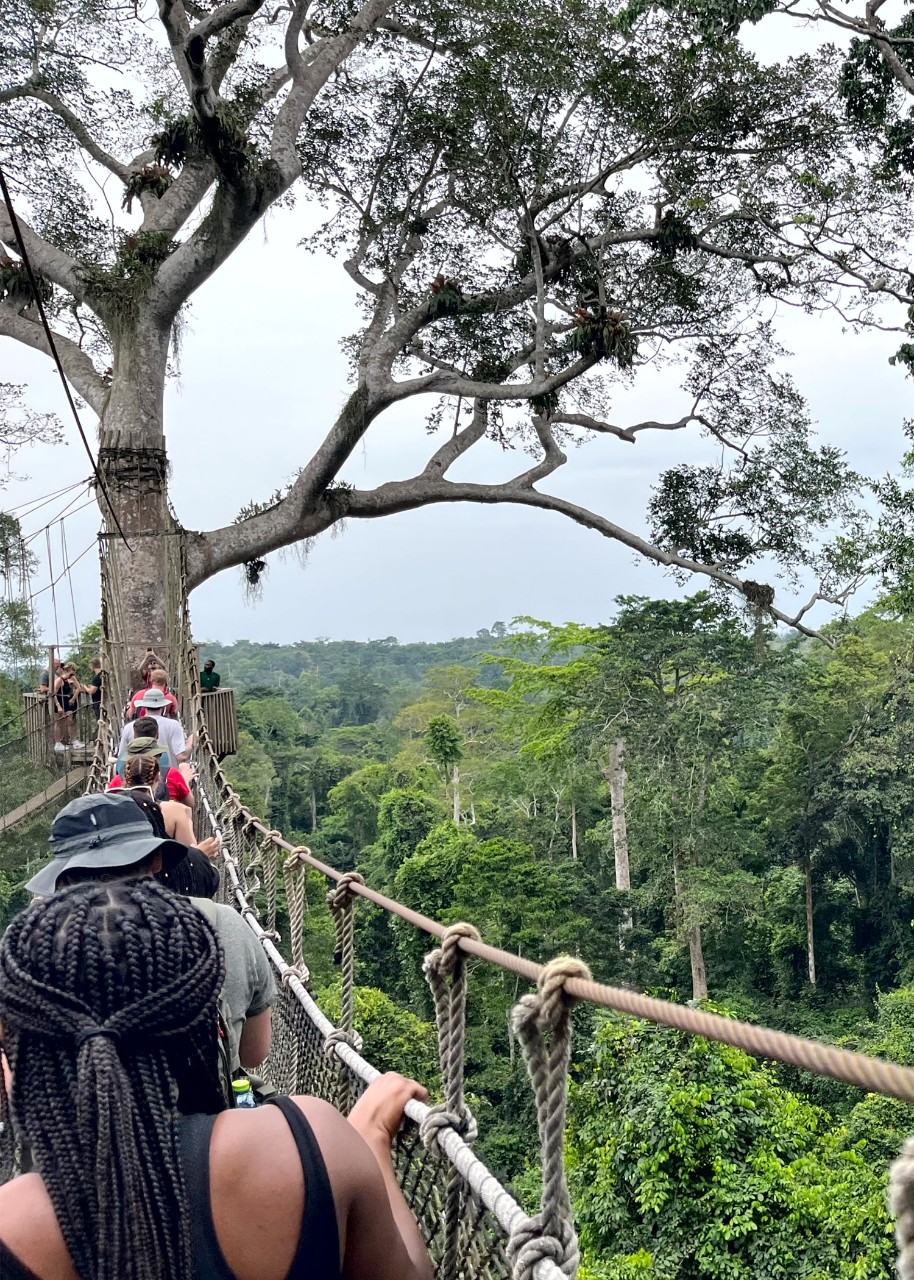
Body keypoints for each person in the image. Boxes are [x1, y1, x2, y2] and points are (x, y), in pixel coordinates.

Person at [0, 880, 433, 1280]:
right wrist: (371, 1139)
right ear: (210, 1026)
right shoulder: (312, 1143)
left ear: (20, 1051)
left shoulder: (11, 1223)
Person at [25, 793, 275, 1073]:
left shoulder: (31, 947)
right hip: (211, 1110)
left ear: (60, 879)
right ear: (157, 861)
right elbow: (254, 1054)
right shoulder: (223, 925)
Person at [117, 754, 221, 898]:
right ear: (158, 779)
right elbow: (187, 855)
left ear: (124, 781)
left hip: (121, 885)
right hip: (164, 887)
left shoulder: (112, 809)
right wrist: (200, 855)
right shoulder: (173, 811)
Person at [110, 720, 194, 804]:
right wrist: (185, 780)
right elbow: (190, 803)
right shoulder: (172, 775)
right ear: (158, 777)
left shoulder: (117, 781)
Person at [117, 692, 189, 764]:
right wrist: (191, 742)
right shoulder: (174, 725)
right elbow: (181, 757)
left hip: (136, 773)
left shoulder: (129, 727)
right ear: (163, 707)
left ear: (144, 706)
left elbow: (121, 758)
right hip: (168, 774)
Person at [52, 663, 83, 752]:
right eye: (70, 674)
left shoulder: (68, 680)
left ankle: (73, 740)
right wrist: (58, 706)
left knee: (70, 720)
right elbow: (52, 694)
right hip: (60, 701)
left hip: (67, 701)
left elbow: (78, 688)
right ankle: (58, 742)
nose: (72, 676)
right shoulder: (59, 680)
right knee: (59, 723)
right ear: (66, 671)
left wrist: (73, 698)